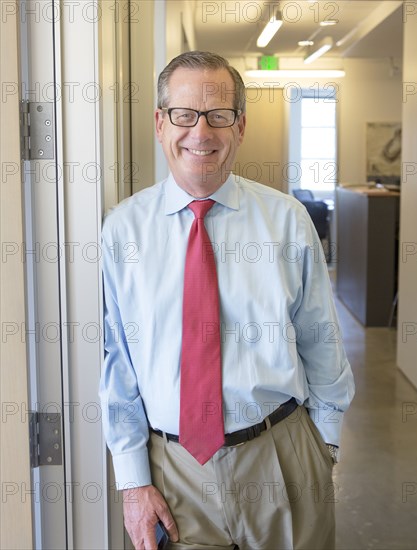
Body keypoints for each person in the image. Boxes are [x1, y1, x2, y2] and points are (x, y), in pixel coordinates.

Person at [100, 51, 355, 550]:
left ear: (239, 126)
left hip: (281, 456)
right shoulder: (122, 231)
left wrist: (322, 446)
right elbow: (119, 364)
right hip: (172, 470)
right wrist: (132, 480)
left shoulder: (286, 221)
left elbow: (321, 339)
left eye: (218, 115)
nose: (201, 132)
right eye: (184, 114)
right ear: (160, 123)